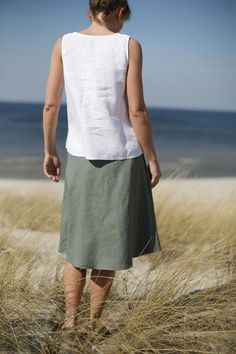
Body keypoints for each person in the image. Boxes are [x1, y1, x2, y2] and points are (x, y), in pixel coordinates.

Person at [42, 0, 162, 331]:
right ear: (121, 13)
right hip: (122, 158)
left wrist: (49, 151)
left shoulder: (63, 43)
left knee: (78, 247)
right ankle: (93, 325)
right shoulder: (129, 45)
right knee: (108, 249)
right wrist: (152, 157)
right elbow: (137, 110)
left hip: (80, 155)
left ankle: (69, 323)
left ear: (89, 12)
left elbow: (51, 104)